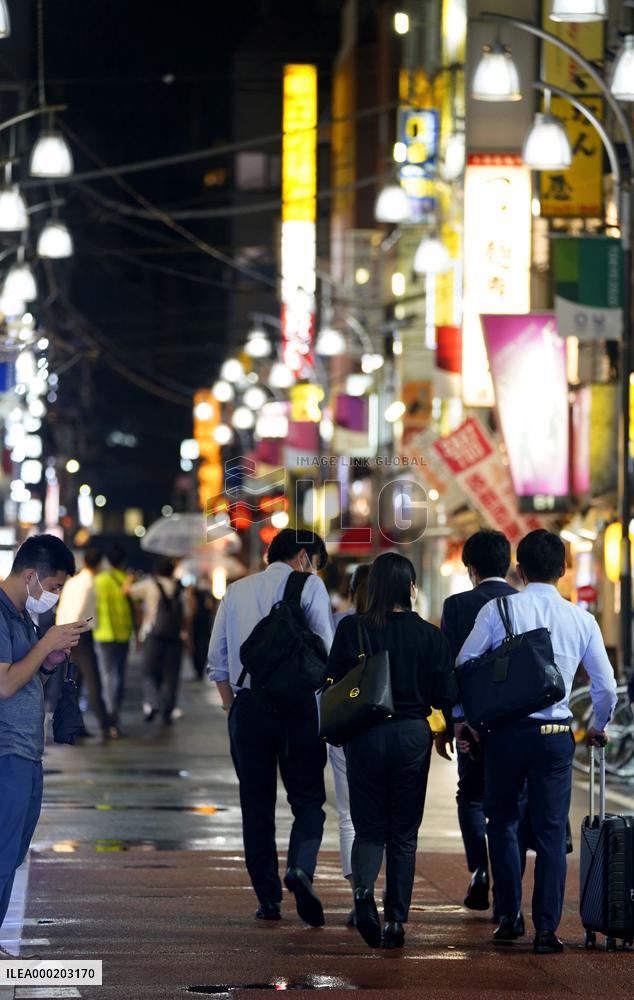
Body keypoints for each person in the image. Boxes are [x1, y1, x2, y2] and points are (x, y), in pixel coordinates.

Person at [458, 529, 618, 954]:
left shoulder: (499, 609)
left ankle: (509, 917)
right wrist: (598, 724)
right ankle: (546, 930)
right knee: (550, 834)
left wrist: (475, 716)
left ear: (519, 569)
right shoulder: (581, 619)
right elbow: (606, 687)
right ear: (563, 568)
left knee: (502, 823)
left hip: (506, 735)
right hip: (554, 738)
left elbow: (465, 663)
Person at [327, 552, 457, 950]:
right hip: (411, 735)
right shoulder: (430, 635)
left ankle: (363, 893)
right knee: (403, 834)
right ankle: (396, 921)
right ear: (411, 588)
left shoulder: (352, 628)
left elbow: (331, 681)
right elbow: (445, 695)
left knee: (368, 828)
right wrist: (442, 726)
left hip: (364, 735)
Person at [207, 528, 333, 927]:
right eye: (315, 563)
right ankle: (299, 867)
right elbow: (327, 652)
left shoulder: (236, 590)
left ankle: (268, 899)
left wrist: (232, 707)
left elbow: (217, 661)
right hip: (298, 707)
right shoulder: (310, 585)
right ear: (304, 557)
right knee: (308, 800)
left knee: (256, 804)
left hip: (249, 708)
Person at [0, 534, 90, 941]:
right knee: (3, 854)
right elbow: (4, 684)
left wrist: (48, 662)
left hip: (26, 751)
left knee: (12, 854)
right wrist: (47, 643)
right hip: (6, 752)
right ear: (31, 576)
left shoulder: (21, 616)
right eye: (54, 586)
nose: (54, 595)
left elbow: (24, 682)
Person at [437, 530, 517, 914]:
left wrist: (452, 720)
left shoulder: (456, 605)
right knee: (509, 803)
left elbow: (449, 666)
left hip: (472, 720)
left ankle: (480, 870)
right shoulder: (522, 602)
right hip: (516, 722)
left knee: (470, 796)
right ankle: (508, 895)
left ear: (470, 568)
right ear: (508, 564)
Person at [330, 562, 370, 924]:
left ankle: (360, 894)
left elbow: (327, 676)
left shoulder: (341, 624)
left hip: (344, 726)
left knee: (348, 815)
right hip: (389, 728)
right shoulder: (400, 624)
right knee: (389, 820)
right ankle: (392, 904)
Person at [56, 547, 110, 742]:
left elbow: (62, 609)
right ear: (98, 564)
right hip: (81, 636)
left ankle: (75, 727)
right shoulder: (89, 583)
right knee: (93, 682)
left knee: (74, 683)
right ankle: (106, 725)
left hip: (68, 635)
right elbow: (78, 613)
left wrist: (62, 636)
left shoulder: (73, 581)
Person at [127, 558, 189, 725]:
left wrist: (130, 579)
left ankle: (152, 702)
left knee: (149, 671)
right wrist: (188, 638)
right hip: (175, 638)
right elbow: (187, 616)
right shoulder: (179, 589)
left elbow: (126, 591)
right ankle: (167, 711)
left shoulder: (150, 585)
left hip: (152, 636)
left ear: (157, 571)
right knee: (171, 676)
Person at [93, 545, 134, 737]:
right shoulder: (126, 580)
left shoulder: (99, 580)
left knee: (107, 675)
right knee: (119, 676)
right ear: (123, 562)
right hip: (123, 634)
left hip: (102, 634)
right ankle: (114, 712)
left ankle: (110, 713)